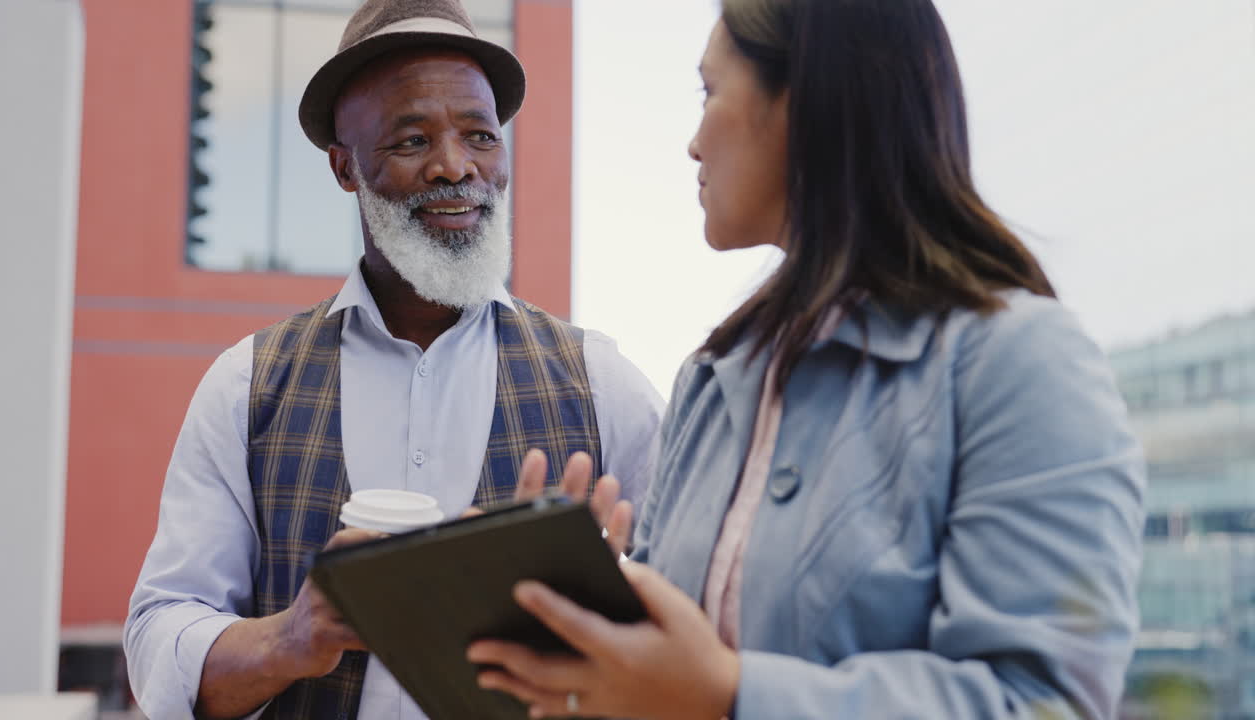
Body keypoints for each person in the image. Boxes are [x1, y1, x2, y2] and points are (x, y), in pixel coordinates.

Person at [466, 1, 1147, 718]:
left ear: (805, 101)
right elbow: (670, 672)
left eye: (709, 92)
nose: (693, 145)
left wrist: (729, 693)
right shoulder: (712, 378)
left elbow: (1047, 703)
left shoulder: (1021, 362)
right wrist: (587, 615)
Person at [122, 1, 662, 718]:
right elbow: (158, 637)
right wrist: (287, 640)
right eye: (412, 140)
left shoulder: (600, 382)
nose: (455, 166)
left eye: (480, 135)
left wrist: (597, 629)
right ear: (345, 167)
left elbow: (697, 620)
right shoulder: (247, 386)